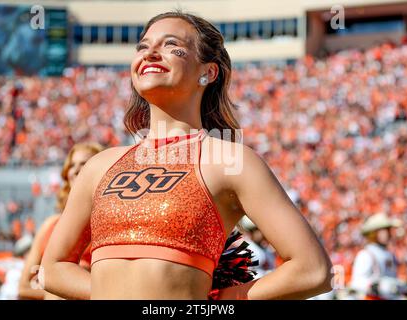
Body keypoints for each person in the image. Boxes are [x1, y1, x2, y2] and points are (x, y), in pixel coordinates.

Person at [41, 10, 332, 300]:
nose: (151, 53)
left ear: (208, 72)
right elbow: (53, 268)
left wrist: (216, 302)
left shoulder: (230, 161)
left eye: (171, 46)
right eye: (143, 46)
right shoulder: (99, 165)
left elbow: (312, 270)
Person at [18, 142, 103, 300]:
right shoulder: (49, 225)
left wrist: (68, 285)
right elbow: (24, 286)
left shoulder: (108, 222)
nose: (76, 169)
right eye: (72, 165)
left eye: (84, 163)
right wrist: (57, 290)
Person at [350, 212, 405, 300]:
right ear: (374, 233)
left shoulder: (390, 255)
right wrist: (377, 286)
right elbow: (356, 282)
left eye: (388, 230)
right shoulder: (366, 254)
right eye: (384, 230)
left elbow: (392, 281)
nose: (389, 234)